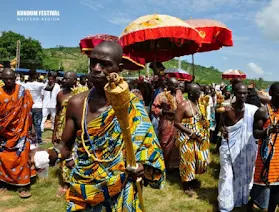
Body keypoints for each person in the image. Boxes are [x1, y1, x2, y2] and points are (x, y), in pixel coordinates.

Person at [32, 41, 165, 211]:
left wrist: (141, 166)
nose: (96, 68)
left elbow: (149, 148)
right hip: (84, 189)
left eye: (105, 64)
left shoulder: (132, 105)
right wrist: (49, 154)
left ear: (120, 68)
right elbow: (64, 147)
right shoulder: (76, 103)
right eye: (93, 62)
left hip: (121, 187)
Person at [217, 83, 258, 211]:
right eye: (240, 93)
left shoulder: (251, 111)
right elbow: (221, 125)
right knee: (226, 175)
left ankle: (240, 200)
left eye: (245, 93)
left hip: (244, 150)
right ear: (235, 93)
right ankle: (225, 205)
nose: (243, 95)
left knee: (243, 175)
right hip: (229, 148)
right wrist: (223, 130)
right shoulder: (227, 110)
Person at [249, 82, 279, 212]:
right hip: (266, 159)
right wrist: (269, 130)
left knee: (276, 192)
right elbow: (255, 133)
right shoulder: (262, 111)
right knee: (263, 192)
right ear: (271, 93)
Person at [0, 68, 34, 198]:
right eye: (6, 78)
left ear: (15, 78)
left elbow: (28, 111)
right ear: (2, 78)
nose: (9, 80)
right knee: (3, 158)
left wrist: (32, 128)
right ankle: (4, 183)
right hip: (3, 132)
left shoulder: (22, 92)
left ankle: (23, 186)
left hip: (21, 132)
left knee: (22, 156)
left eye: (11, 78)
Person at [174, 83, 210, 196]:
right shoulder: (183, 105)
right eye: (197, 92)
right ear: (191, 93)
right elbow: (177, 123)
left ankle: (192, 179)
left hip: (197, 137)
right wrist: (191, 133)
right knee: (187, 161)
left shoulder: (198, 103)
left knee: (198, 159)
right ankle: (186, 185)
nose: (200, 93)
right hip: (186, 137)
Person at [152, 77, 184, 170]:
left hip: (178, 123)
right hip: (166, 122)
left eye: (177, 85)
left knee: (176, 143)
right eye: (175, 85)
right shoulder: (161, 95)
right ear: (169, 85)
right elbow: (154, 108)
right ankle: (162, 164)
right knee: (165, 143)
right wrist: (165, 112)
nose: (177, 87)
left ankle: (173, 166)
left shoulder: (179, 94)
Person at [24, 69, 46, 144]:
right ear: (34, 75)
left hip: (29, 106)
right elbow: (49, 88)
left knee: (29, 123)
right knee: (37, 124)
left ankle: (29, 138)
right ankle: (39, 139)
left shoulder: (25, 85)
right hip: (38, 106)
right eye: (37, 74)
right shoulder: (40, 85)